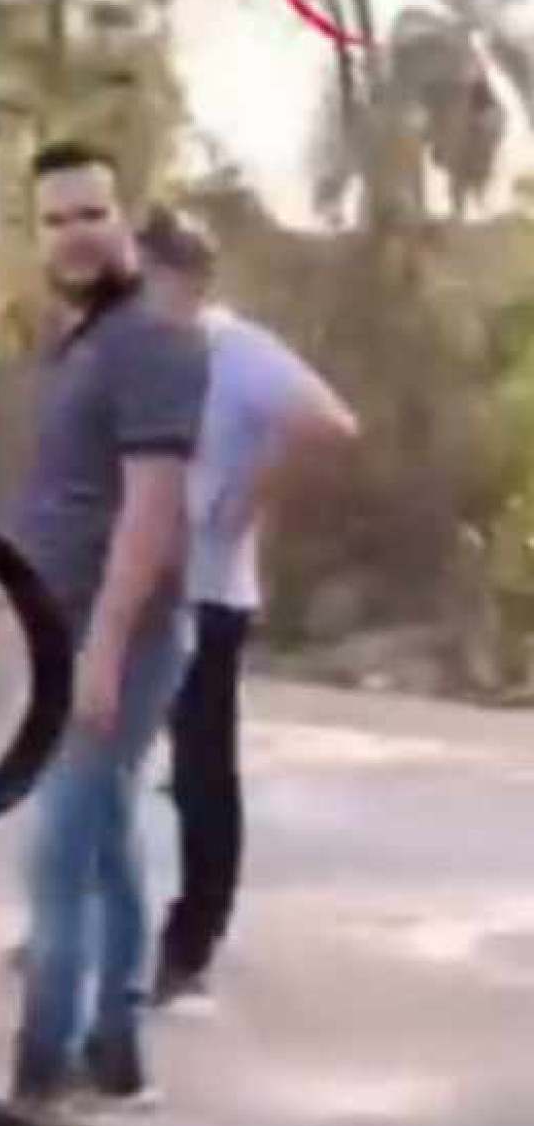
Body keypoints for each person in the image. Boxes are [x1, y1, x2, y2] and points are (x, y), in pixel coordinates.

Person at [7, 141, 209, 1113]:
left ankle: (36, 1083)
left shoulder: (154, 337)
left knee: (55, 862)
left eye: (92, 212)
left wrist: (104, 647)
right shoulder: (77, 338)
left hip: (115, 638)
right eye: (55, 219)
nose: (75, 234)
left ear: (126, 217)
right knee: (106, 840)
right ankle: (118, 1051)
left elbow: (152, 509)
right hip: (65, 633)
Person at [135, 207, 360, 1007]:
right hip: (138, 588)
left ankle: (191, 941)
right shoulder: (140, 348)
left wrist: (245, 501)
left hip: (209, 596)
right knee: (105, 765)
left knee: (200, 775)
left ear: (190, 279)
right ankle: (85, 925)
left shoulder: (238, 351)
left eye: (159, 274)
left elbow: (329, 423)